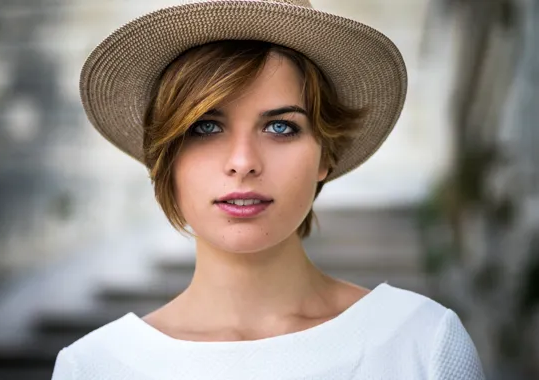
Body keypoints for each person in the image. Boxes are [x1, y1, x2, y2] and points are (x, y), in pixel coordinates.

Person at [52, 1, 485, 379]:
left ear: (325, 156)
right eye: (205, 126)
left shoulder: (422, 342)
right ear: (167, 156)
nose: (243, 161)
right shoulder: (93, 367)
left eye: (280, 127)